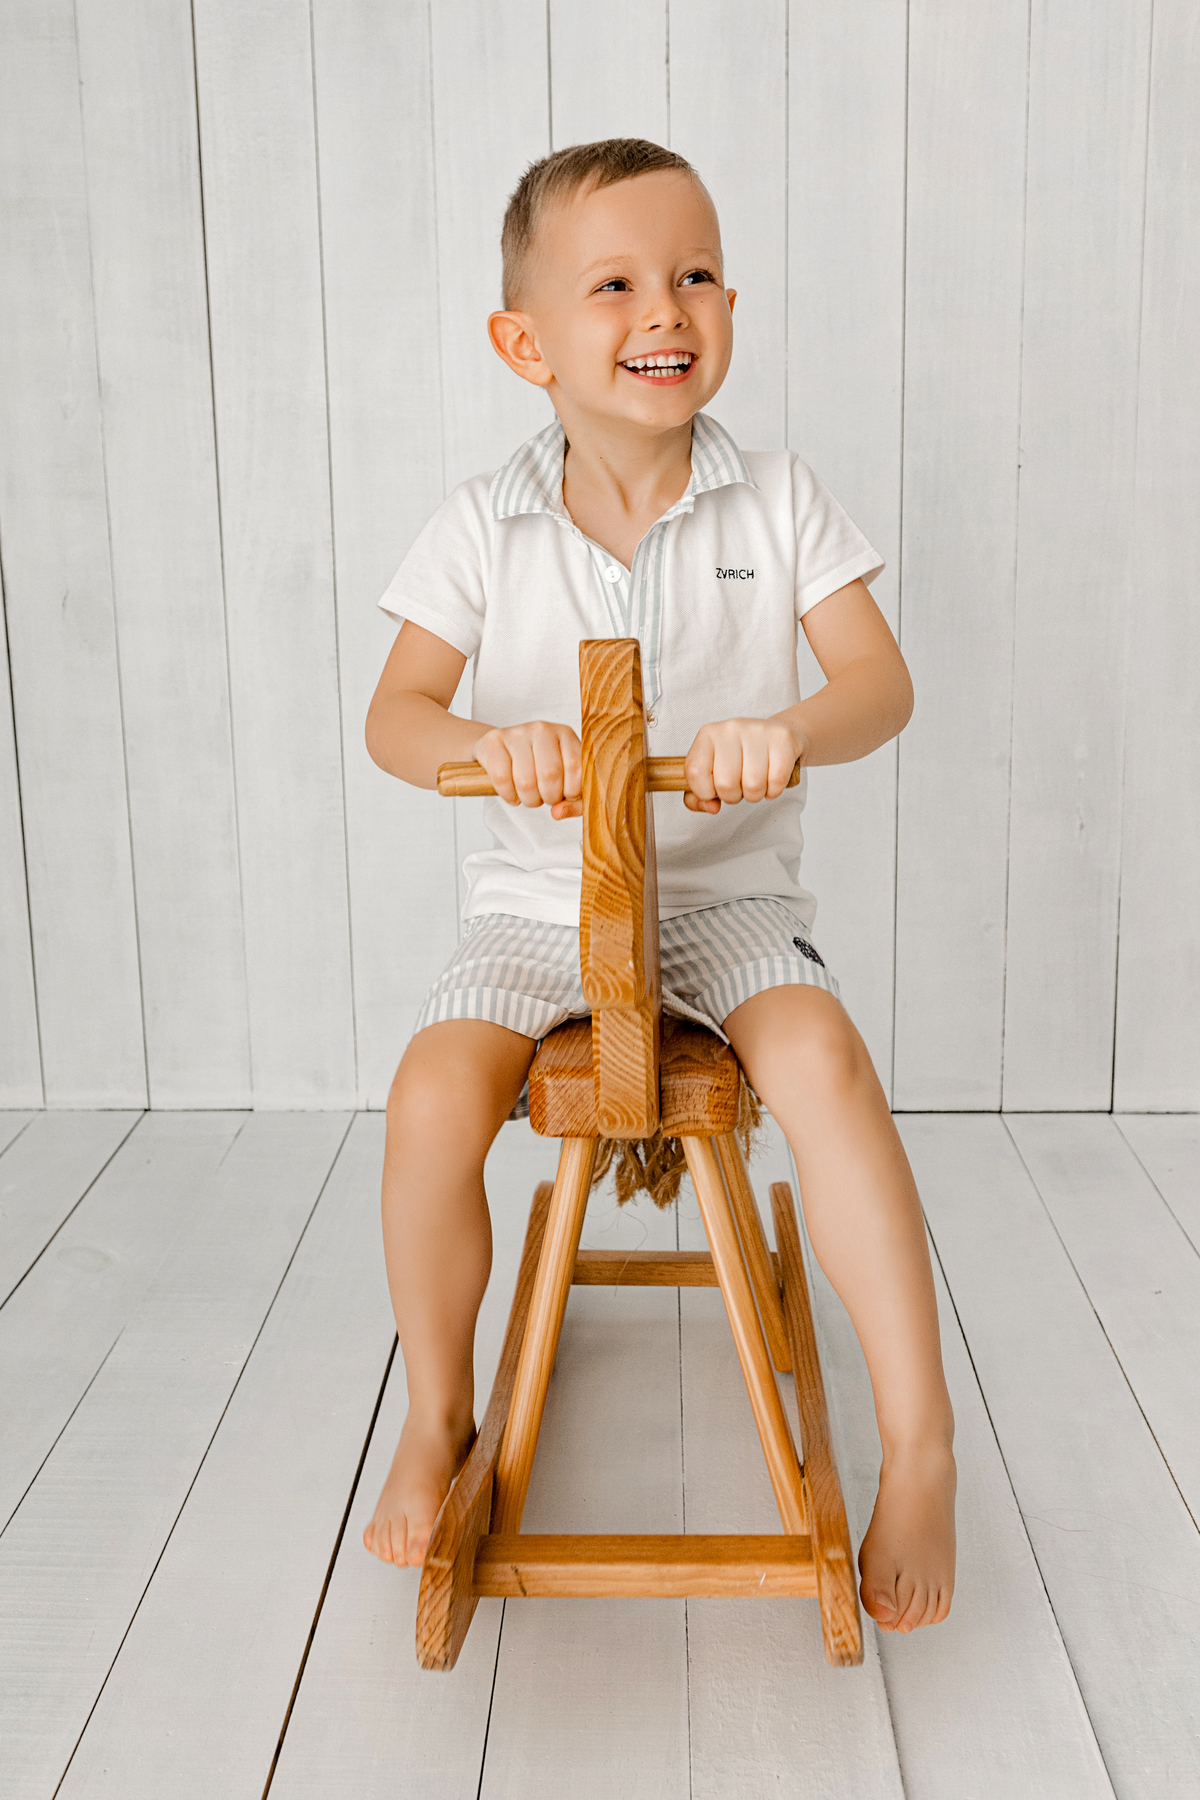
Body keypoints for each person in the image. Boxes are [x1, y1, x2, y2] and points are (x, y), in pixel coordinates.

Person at [362, 138, 955, 1635]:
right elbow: (394, 718)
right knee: (432, 1096)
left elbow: (881, 685)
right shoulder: (478, 528)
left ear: (731, 307)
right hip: (538, 907)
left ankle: (924, 1446)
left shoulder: (777, 502)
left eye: (693, 274)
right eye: (615, 283)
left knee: (823, 1064)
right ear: (526, 341)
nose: (663, 308)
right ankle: (437, 1410)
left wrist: (790, 730)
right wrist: (495, 751)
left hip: (725, 899)